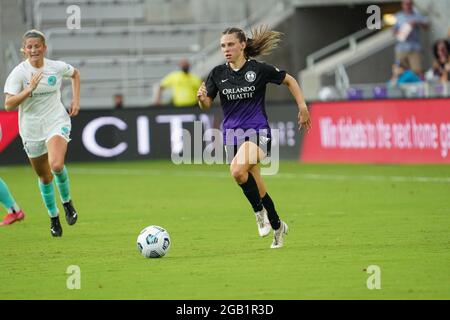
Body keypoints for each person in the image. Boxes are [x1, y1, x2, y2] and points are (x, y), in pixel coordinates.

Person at [197, 25, 311, 249]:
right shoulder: (218, 74)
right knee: (256, 185)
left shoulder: (259, 70)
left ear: (242, 45)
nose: (226, 49)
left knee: (237, 171)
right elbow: (207, 104)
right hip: (232, 135)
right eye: (223, 46)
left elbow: (290, 80)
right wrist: (201, 98)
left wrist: (303, 106)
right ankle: (278, 227)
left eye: (230, 44)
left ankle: (259, 214)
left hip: (258, 131)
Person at [3, 29, 80, 237]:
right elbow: (8, 104)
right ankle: (53, 217)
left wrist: (75, 100)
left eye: (37, 46)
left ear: (44, 48)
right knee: (44, 177)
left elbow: (75, 74)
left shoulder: (55, 67)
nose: (34, 50)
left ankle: (67, 203)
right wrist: (29, 90)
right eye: (30, 46)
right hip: (31, 129)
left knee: (56, 165)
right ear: (24, 50)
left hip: (56, 121)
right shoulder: (19, 73)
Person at [393, 0, 429, 76]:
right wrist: (402, 32)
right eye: (406, 4)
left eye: (409, 4)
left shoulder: (418, 15)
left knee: (417, 72)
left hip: (414, 48)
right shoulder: (398, 16)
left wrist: (417, 23)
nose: (407, 6)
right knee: (399, 72)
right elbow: (394, 31)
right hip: (401, 48)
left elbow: (426, 27)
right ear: (402, 5)